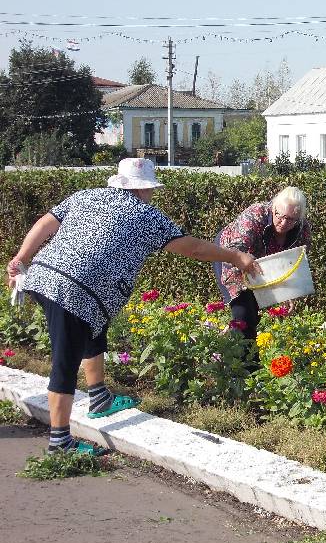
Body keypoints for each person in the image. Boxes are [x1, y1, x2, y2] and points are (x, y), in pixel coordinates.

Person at [5, 158, 261, 455]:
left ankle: (99, 396)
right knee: (65, 360)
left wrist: (22, 257)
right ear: (144, 189)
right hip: (72, 289)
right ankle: (60, 443)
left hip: (46, 277)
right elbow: (192, 247)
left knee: (92, 328)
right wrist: (235, 257)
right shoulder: (145, 215)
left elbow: (45, 223)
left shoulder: (86, 195)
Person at [213, 186, 311, 341]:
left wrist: (288, 293)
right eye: (279, 215)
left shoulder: (302, 229)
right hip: (230, 255)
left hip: (262, 262)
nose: (284, 223)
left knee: (254, 312)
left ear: (299, 218)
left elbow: (293, 263)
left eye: (291, 219)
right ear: (273, 208)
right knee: (244, 312)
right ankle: (243, 361)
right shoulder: (256, 214)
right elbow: (236, 249)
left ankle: (227, 342)